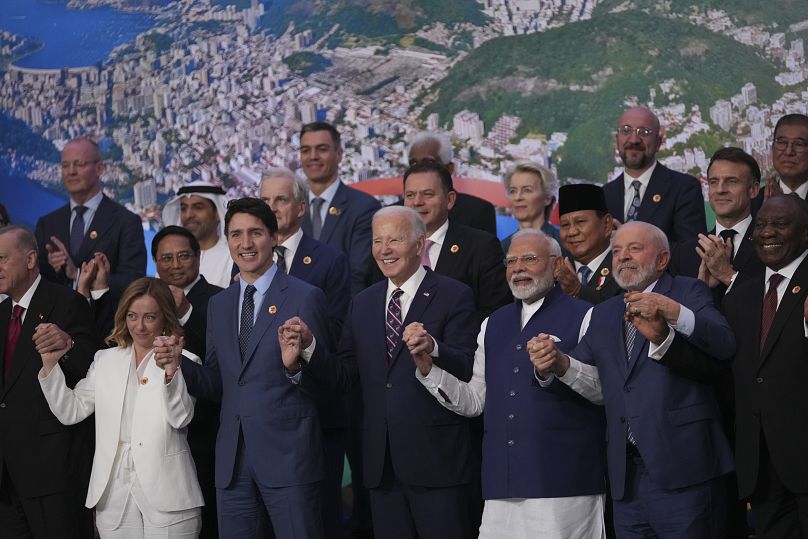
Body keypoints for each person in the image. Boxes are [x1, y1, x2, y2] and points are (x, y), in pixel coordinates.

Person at [531, 221, 735, 538]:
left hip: (683, 468)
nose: (622, 257)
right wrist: (554, 362)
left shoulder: (686, 290)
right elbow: (582, 368)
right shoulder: (603, 313)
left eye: (634, 249)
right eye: (616, 251)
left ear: (663, 259)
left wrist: (672, 311)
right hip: (626, 477)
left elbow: (724, 343)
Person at [295, 206, 479, 539]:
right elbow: (345, 375)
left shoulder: (455, 294)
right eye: (378, 241)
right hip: (381, 466)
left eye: (394, 239)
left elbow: (467, 365)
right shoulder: (362, 303)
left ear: (419, 243)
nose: (384, 250)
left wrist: (433, 347)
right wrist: (310, 348)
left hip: (437, 461)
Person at [416, 228, 607, 538]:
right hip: (501, 485)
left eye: (530, 259)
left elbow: (603, 391)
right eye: (511, 261)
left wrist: (562, 364)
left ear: (556, 265)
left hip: (565, 484)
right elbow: (475, 400)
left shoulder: (586, 315)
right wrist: (429, 370)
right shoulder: (492, 323)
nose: (518, 268)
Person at [178, 197, 331, 538]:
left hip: (289, 458)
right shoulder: (219, 304)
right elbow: (219, 384)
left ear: (274, 237)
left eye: (255, 233)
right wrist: (179, 365)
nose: (245, 244)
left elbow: (331, 382)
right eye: (236, 234)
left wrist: (296, 365)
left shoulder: (306, 297)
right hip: (232, 464)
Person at [37, 277, 203, 537]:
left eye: (150, 317)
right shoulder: (105, 359)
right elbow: (70, 411)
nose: (140, 326)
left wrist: (172, 372)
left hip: (169, 493)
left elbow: (181, 418)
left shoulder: (186, 360)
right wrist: (50, 365)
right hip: (113, 493)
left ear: (165, 318)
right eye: (132, 316)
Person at [258, 168, 351, 539]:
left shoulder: (329, 260)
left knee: (318, 520)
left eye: (280, 199)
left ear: (300, 207)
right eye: (265, 200)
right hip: (264, 415)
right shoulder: (247, 260)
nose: (272, 207)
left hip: (314, 414)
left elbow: (338, 333)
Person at [0, 225, 96, 538]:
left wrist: (66, 346)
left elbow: (90, 368)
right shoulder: (2, 311)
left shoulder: (66, 302)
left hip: (52, 472)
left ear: (30, 259)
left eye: (1, 259)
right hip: (6, 477)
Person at [723, 195, 808, 538]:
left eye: (780, 224)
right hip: (760, 465)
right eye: (760, 225)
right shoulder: (740, 294)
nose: (767, 232)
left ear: (805, 234)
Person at [369, 161, 511, 324]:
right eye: (410, 195)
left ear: (449, 200)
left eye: (427, 194)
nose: (417, 202)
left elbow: (495, 313)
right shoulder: (386, 249)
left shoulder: (481, 247)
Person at [152, 225, 223, 539]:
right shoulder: (146, 300)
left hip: (203, 432)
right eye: (166, 258)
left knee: (206, 520)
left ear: (198, 257)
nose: (175, 265)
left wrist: (185, 312)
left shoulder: (220, 300)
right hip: (156, 434)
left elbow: (217, 362)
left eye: (183, 256)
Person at [35, 137, 146, 299]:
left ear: (99, 168)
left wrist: (78, 275)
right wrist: (52, 267)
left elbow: (134, 282)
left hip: (106, 321)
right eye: (65, 165)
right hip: (57, 321)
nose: (71, 171)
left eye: (79, 164)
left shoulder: (126, 222)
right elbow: (35, 282)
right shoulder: (48, 224)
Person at [603, 107, 706, 247]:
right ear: (617, 140)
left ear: (658, 142)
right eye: (626, 131)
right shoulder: (604, 195)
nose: (634, 140)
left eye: (644, 132)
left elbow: (691, 253)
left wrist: (630, 240)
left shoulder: (684, 189)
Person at [671, 147, 764, 301]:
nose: (720, 190)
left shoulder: (771, 245)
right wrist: (700, 291)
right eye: (714, 182)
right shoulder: (685, 253)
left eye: (731, 181)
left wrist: (727, 275)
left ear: (753, 190)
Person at [299, 121, 381, 296]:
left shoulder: (364, 208)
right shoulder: (291, 207)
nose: (313, 156)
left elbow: (358, 276)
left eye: (322, 149)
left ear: (339, 154)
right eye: (305, 150)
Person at [407, 131, 497, 235]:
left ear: (449, 168)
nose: (419, 170)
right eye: (413, 163)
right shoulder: (393, 212)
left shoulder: (478, 212)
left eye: (428, 163)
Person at [554, 183, 622, 304]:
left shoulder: (626, 265)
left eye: (580, 222)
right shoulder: (555, 270)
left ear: (607, 224)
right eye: (565, 225)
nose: (572, 232)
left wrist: (578, 290)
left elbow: (621, 315)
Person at [161, 182, 235, 289]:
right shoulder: (170, 259)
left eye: (198, 207)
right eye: (183, 209)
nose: (189, 215)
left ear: (218, 213)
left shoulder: (232, 257)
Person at [500, 160, 561, 252]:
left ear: (547, 198)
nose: (517, 197)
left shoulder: (565, 243)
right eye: (513, 191)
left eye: (527, 190)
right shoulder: (501, 249)